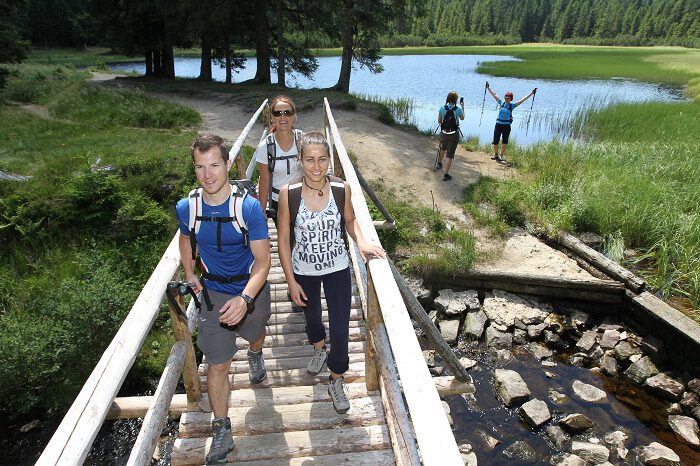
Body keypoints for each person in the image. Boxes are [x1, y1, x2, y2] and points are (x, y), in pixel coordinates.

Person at [176, 133, 271, 464]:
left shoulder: (248, 208)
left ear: (228, 164)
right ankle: (222, 430)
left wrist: (245, 299)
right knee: (217, 364)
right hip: (212, 293)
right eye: (200, 167)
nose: (208, 174)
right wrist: (189, 273)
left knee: (255, 333)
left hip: (250, 288)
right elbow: (185, 240)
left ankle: (256, 352)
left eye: (214, 165)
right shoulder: (188, 207)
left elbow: (263, 263)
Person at [276, 131, 385, 414]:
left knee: (341, 326)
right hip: (304, 270)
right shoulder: (289, 194)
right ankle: (318, 348)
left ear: (329, 161)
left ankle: (336, 377)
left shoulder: (341, 189)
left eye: (322, 159)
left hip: (337, 267)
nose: (316, 166)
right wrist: (290, 281)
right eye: (310, 159)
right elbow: (283, 239)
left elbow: (350, 219)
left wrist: (361, 243)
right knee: (312, 319)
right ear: (300, 160)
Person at [255, 95, 304, 224]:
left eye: (287, 113)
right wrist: (261, 212)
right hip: (278, 202)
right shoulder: (265, 147)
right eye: (278, 113)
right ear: (272, 117)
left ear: (293, 116)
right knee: (285, 240)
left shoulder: (303, 140)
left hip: (303, 199)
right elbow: (264, 181)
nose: (283, 117)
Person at [487, 81, 537, 162]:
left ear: (511, 99)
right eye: (505, 97)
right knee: (495, 141)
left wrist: (532, 93)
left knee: (504, 141)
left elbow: (522, 99)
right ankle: (496, 154)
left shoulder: (512, 105)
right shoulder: (501, 103)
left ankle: (501, 155)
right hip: (498, 124)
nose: (506, 99)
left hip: (506, 126)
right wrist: (488, 88)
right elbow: (494, 95)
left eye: (508, 98)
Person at [436, 90, 465, 182]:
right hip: (454, 134)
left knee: (443, 148)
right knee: (450, 154)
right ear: (456, 100)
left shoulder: (442, 108)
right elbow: (462, 118)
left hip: (444, 133)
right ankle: (446, 174)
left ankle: (439, 163)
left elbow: (439, 121)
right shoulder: (458, 110)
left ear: (447, 99)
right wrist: (463, 107)